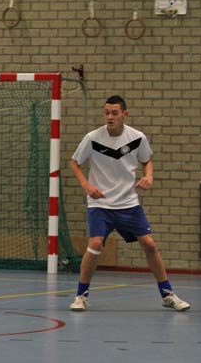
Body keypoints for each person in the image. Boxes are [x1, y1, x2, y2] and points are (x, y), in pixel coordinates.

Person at [69, 95, 190, 312]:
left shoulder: (137, 137)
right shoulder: (92, 138)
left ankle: (167, 295)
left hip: (128, 203)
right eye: (106, 112)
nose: (110, 117)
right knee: (95, 243)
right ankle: (81, 296)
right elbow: (75, 163)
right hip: (101, 204)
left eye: (114, 113)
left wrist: (149, 176)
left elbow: (147, 160)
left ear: (125, 114)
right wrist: (86, 185)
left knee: (150, 245)